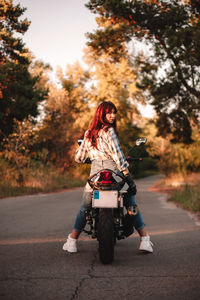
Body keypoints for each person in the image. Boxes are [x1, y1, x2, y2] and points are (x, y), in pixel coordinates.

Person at [63, 101, 153, 253]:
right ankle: (144, 240)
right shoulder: (110, 131)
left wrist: (89, 156)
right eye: (109, 112)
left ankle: (72, 242)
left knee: (85, 207)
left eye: (114, 112)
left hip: (96, 175)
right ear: (101, 114)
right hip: (113, 172)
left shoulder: (88, 133)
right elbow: (118, 156)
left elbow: (78, 157)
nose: (113, 115)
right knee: (130, 201)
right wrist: (127, 176)